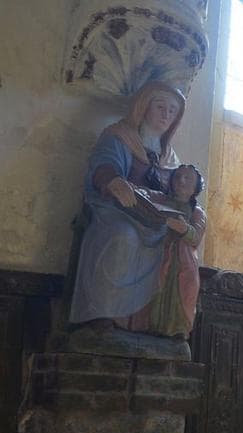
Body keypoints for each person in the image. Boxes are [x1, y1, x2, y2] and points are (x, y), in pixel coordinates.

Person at [70, 81, 189, 335]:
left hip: (153, 220)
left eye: (172, 111)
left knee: (178, 247)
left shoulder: (170, 157)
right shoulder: (120, 136)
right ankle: (103, 314)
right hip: (116, 211)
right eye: (160, 106)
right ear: (144, 106)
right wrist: (114, 180)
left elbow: (178, 195)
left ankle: (153, 323)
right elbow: (104, 164)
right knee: (123, 236)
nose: (166, 115)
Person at [128, 164, 207, 338]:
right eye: (177, 176)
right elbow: (144, 195)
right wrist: (133, 189)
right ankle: (148, 325)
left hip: (183, 260)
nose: (181, 181)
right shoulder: (161, 199)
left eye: (187, 178)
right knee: (154, 285)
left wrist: (183, 228)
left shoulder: (197, 211)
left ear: (195, 187)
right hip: (158, 252)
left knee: (184, 289)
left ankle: (177, 329)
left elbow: (195, 237)